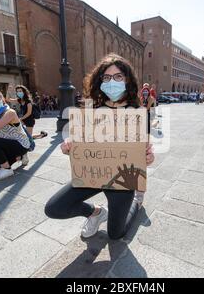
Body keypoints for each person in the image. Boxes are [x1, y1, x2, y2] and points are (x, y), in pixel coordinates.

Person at [45, 54, 155, 240]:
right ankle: (96, 213)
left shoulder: (138, 113)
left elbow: (144, 147)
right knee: (54, 208)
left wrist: (148, 156)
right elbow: (80, 142)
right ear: (100, 81)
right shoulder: (90, 109)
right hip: (92, 175)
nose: (113, 81)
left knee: (115, 234)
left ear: (127, 80)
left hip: (122, 182)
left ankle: (136, 201)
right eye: (107, 77)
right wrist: (69, 146)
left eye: (118, 76)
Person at [0, 90, 31, 181]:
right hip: (9, 146)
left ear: (3, 99)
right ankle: (20, 156)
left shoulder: (10, 112)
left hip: (20, 144)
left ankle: (7, 170)